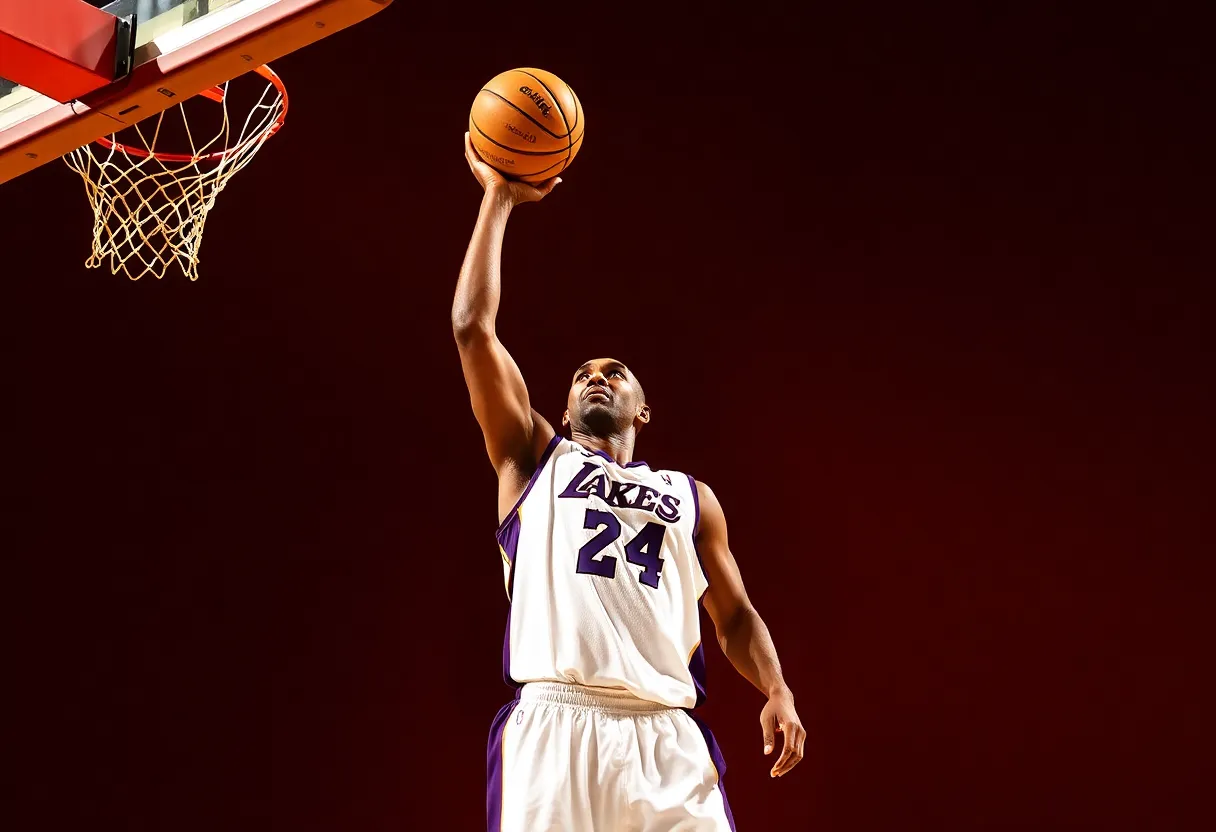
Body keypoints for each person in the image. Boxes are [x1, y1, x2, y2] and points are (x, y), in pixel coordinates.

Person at [453, 133, 804, 831]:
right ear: (562, 408)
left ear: (642, 409)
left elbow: (732, 616)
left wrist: (777, 688)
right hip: (556, 722)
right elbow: (472, 328)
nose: (596, 377)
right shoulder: (534, 460)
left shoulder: (690, 496)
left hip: (664, 732)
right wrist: (498, 196)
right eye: (583, 373)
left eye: (614, 372)